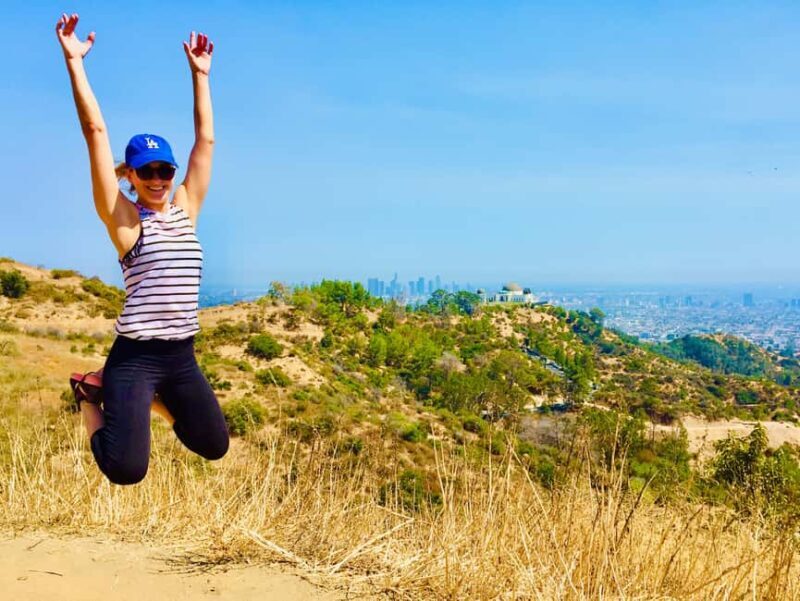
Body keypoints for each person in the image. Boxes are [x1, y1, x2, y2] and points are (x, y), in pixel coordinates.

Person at [56, 13, 229, 485]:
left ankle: (144, 399)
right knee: (126, 470)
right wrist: (75, 63)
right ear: (129, 176)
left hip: (182, 357)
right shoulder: (127, 223)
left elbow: (206, 141)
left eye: (164, 171)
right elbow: (95, 133)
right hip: (135, 357)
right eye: (146, 171)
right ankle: (90, 395)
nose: (157, 179)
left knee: (213, 445)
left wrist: (200, 76)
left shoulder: (186, 209)